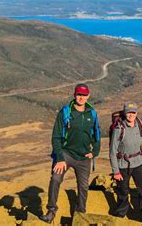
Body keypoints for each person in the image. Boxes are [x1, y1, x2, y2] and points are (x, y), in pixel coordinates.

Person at [40, 83, 101, 223]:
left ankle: (80, 213)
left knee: (83, 186)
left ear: (88, 96)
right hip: (66, 154)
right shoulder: (65, 112)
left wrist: (95, 151)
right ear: (74, 95)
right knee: (56, 178)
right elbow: (55, 136)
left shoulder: (92, 113)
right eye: (79, 94)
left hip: (84, 157)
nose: (81, 97)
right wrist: (60, 158)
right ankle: (51, 211)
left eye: (84, 95)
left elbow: (96, 134)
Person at [109, 102, 142, 221]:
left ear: (136, 113)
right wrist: (115, 171)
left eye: (133, 112)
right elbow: (112, 152)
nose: (131, 115)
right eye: (128, 112)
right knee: (123, 191)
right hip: (123, 165)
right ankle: (121, 215)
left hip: (138, 163)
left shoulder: (139, 125)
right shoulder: (119, 129)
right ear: (125, 113)